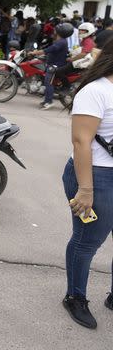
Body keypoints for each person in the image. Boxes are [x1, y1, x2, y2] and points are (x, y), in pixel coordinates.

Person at [61, 37, 113, 329]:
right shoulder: (95, 91)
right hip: (94, 175)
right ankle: (75, 296)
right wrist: (86, 188)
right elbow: (81, 141)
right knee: (87, 240)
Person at [55, 22, 96, 92]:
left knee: (58, 71)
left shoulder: (88, 41)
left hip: (79, 62)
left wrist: (72, 59)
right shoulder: (84, 40)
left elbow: (83, 54)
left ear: (88, 31)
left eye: (82, 30)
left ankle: (66, 86)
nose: (80, 32)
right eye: (80, 30)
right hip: (78, 61)